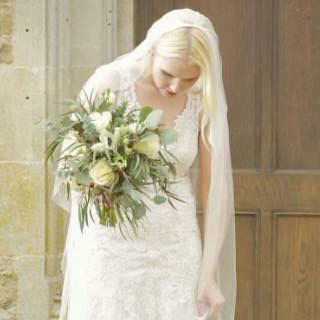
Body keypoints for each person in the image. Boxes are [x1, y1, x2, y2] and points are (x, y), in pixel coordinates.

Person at [52, 8, 236, 320]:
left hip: (175, 244)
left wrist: (209, 274)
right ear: (151, 50)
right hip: (110, 241)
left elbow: (214, 191)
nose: (177, 86)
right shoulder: (109, 83)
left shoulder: (202, 102)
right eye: (168, 73)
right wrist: (100, 183)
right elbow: (71, 161)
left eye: (190, 77)